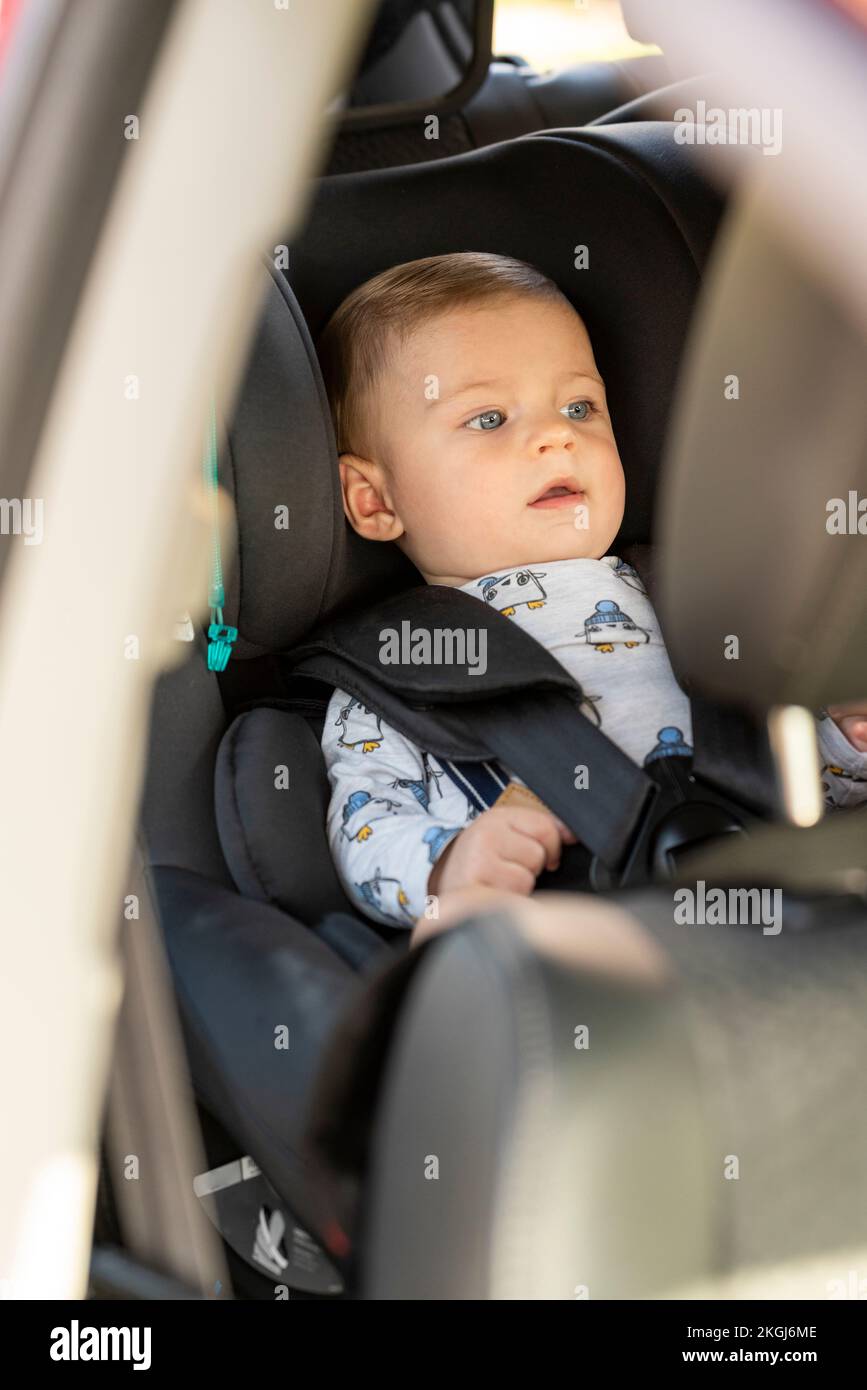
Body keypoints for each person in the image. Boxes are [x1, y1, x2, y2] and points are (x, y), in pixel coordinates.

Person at [315, 252, 867, 942]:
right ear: (374, 500)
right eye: (487, 419)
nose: (557, 435)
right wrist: (449, 864)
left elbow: (778, 762)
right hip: (590, 935)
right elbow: (369, 825)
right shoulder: (399, 669)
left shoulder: (689, 593)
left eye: (580, 406)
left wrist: (841, 746)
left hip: (783, 899)